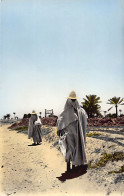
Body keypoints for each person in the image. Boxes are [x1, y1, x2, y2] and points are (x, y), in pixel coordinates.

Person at [57, 91, 88, 171]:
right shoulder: (65, 112)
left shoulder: (80, 111)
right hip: (68, 134)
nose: (73, 101)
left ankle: (74, 165)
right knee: (69, 148)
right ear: (69, 100)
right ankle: (68, 166)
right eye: (72, 100)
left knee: (76, 148)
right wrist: (59, 130)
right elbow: (60, 121)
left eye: (74, 100)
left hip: (78, 134)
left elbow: (84, 119)